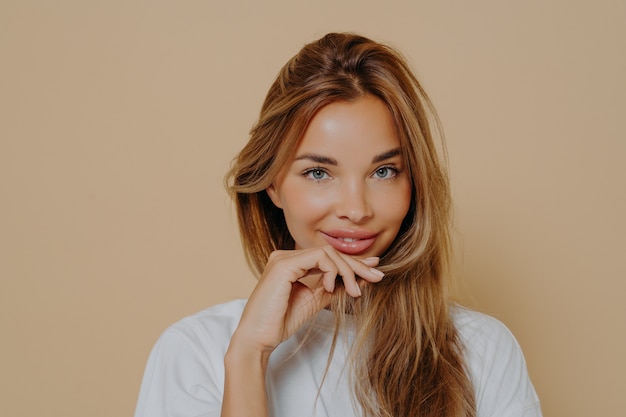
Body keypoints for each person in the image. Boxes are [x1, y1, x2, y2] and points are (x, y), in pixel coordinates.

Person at [134, 32, 542, 417]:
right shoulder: (195, 351)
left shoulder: (481, 350)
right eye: (318, 173)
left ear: (414, 183)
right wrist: (248, 356)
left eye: (384, 171)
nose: (355, 209)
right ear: (272, 185)